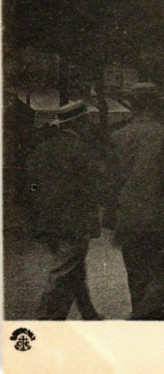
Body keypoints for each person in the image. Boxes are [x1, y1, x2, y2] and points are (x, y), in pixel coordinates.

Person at [107, 83, 164, 320]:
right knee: (163, 274)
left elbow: (110, 182)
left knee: (136, 276)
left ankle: (140, 319)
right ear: (156, 105)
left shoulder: (117, 136)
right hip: (160, 219)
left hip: (128, 219)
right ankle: (154, 323)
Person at [26, 101, 106, 320]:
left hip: (48, 218)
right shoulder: (81, 149)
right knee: (63, 270)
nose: (89, 124)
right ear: (78, 123)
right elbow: (94, 185)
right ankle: (45, 319)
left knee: (74, 268)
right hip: (73, 221)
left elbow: (31, 183)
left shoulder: (43, 147)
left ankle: (89, 314)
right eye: (87, 120)